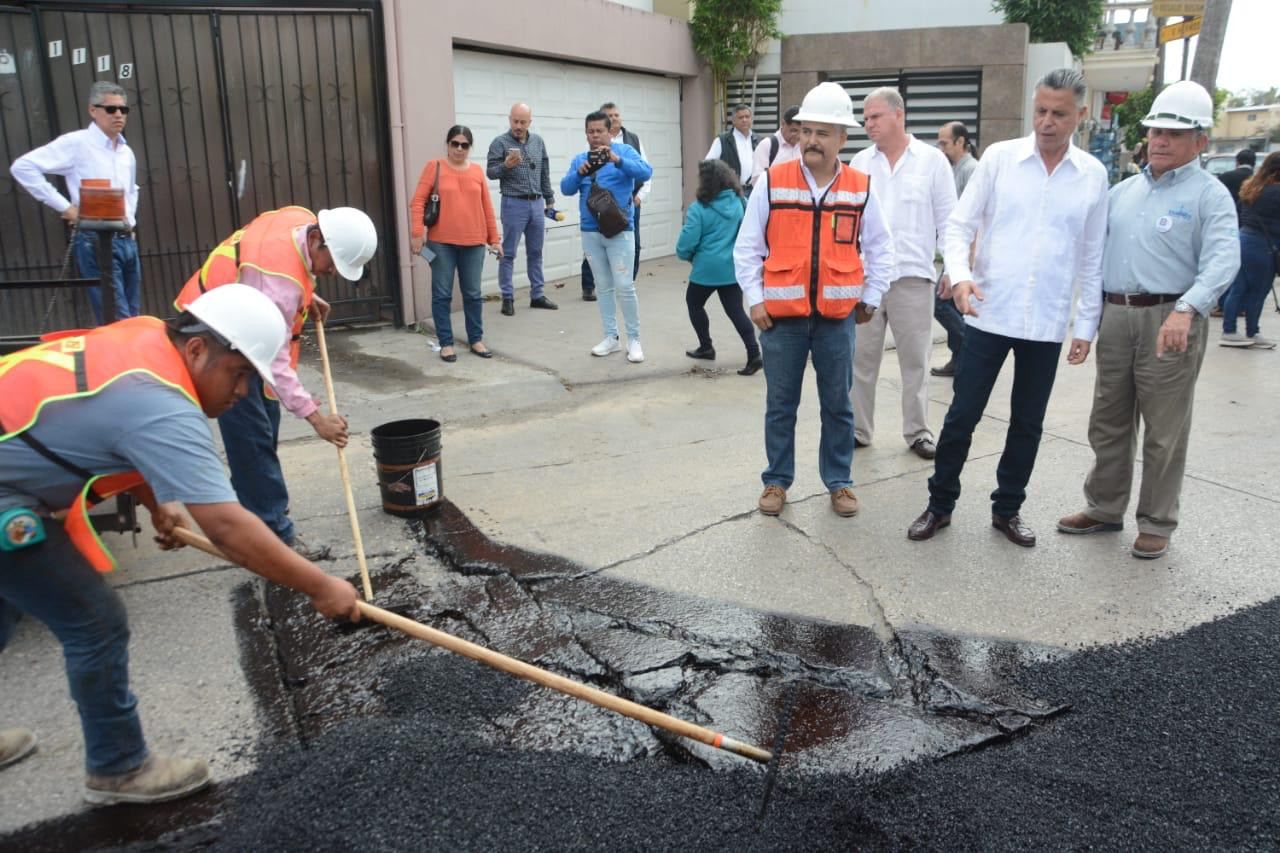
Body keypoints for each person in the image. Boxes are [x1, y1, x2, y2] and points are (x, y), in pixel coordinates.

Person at [0, 284, 360, 804]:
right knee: (94, 621)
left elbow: (105, 423)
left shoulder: (146, 337)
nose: (241, 393)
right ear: (196, 350)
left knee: (7, 606)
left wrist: (155, 502)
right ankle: (118, 768)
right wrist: (320, 585)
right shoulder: (162, 404)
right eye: (238, 374)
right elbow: (227, 527)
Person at [906, 68, 1109, 548]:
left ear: (1080, 114)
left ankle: (1008, 509)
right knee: (961, 417)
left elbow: (1093, 256)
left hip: (1046, 321)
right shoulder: (999, 159)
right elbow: (957, 227)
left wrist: (1085, 325)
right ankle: (940, 505)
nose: (1046, 122)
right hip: (988, 313)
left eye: (1059, 113)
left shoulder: (1092, 176)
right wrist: (959, 276)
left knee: (1027, 424)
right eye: (1040, 110)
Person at [1059, 81, 1242, 559]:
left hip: (1170, 317)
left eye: (1173, 134)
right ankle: (1103, 508)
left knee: (1164, 429)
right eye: (1155, 131)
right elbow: (1094, 261)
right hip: (1118, 316)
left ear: (1200, 142)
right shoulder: (1122, 192)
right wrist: (1087, 325)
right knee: (1108, 421)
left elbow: (1223, 261)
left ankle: (1157, 521)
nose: (1159, 140)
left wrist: (1187, 308)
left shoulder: (1210, 196)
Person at [175, 205, 377, 557]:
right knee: (252, 437)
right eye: (332, 264)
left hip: (231, 320)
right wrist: (317, 418)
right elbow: (275, 361)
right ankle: (273, 539)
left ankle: (255, 515)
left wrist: (306, 295)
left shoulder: (299, 220)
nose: (330, 273)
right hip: (216, 339)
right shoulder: (277, 284)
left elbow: (271, 273)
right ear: (317, 239)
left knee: (264, 424)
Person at [733, 82, 894, 518]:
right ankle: (776, 480)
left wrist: (872, 296)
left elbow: (881, 247)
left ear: (842, 138)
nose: (811, 141)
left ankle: (839, 482)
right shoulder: (772, 182)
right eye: (806, 131)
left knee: (838, 404)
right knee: (780, 405)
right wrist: (754, 300)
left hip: (837, 320)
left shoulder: (860, 187)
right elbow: (747, 247)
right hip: (780, 321)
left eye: (823, 133)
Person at [850, 89, 957, 460]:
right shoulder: (860, 164)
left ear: (899, 114)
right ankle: (859, 429)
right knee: (861, 359)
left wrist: (951, 270)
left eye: (875, 117)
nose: (869, 124)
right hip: (866, 281)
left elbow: (948, 220)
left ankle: (917, 431)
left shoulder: (931, 162)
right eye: (865, 119)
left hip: (913, 276)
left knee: (915, 360)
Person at [10, 81, 141, 324]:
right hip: (96, 238)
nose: (119, 115)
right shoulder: (77, 143)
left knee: (132, 317)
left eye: (124, 110)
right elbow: (23, 167)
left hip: (126, 239)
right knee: (117, 319)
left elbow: (131, 189)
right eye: (111, 109)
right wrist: (67, 208)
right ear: (93, 110)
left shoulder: (126, 152)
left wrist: (129, 221)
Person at [561, 110, 653, 363]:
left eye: (599, 131)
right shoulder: (581, 158)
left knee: (625, 286)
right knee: (603, 286)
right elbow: (566, 188)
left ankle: (634, 340)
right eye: (590, 131)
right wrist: (579, 172)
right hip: (591, 232)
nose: (595, 136)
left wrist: (617, 161)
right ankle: (611, 338)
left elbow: (646, 173)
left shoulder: (624, 152)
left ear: (610, 131)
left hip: (620, 231)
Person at [411, 126, 502, 362]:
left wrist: (494, 239)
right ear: (447, 144)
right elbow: (418, 201)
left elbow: (487, 207)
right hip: (441, 243)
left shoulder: (477, 171)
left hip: (473, 243)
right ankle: (446, 343)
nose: (459, 149)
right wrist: (416, 233)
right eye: (455, 143)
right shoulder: (435, 167)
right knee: (441, 295)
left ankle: (476, 339)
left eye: (464, 144)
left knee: (472, 294)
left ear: (470, 147)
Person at [675, 160, 761, 375]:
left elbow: (687, 242)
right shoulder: (740, 202)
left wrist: (686, 255)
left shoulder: (699, 208)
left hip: (706, 269)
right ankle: (754, 354)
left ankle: (706, 346)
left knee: (694, 303)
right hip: (733, 268)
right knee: (736, 311)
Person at [485, 102, 558, 316]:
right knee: (507, 253)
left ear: (530, 122)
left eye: (523, 122)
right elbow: (490, 172)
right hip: (513, 202)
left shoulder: (538, 142)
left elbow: (544, 172)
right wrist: (506, 165)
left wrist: (550, 200)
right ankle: (507, 297)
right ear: (509, 119)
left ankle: (537, 295)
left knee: (536, 252)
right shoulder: (499, 143)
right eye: (515, 121)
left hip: (536, 204)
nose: (518, 125)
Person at [581, 102, 650, 299]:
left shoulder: (632, 141)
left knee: (632, 245)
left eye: (616, 114)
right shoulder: (593, 139)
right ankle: (589, 285)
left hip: (628, 203)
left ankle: (627, 283)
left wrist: (640, 196)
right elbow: (582, 169)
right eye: (609, 115)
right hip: (598, 204)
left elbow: (646, 169)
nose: (614, 118)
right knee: (597, 244)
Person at [932, 120, 980, 377]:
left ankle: (971, 352)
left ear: (960, 142)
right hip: (954, 251)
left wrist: (969, 258)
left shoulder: (971, 169)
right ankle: (959, 358)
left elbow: (974, 218)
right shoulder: (955, 169)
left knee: (941, 304)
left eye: (944, 143)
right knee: (947, 305)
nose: (940, 148)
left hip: (963, 255)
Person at [1220, 151, 1280, 348]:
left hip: (1243, 240)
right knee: (1258, 291)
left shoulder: (1251, 187)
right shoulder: (1277, 192)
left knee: (1238, 289)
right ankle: (1252, 332)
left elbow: (1237, 212)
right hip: (1264, 246)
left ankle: (1229, 331)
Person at [706, 104, 759, 192]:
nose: (744, 120)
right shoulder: (722, 140)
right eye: (740, 117)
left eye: (747, 117)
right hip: (731, 191)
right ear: (733, 121)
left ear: (751, 119)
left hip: (754, 191)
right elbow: (708, 165)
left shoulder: (758, 140)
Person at [750, 105, 802, 185]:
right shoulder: (767, 145)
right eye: (794, 131)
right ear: (783, 123)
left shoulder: (804, 146)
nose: (798, 136)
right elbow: (757, 180)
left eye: (802, 131)